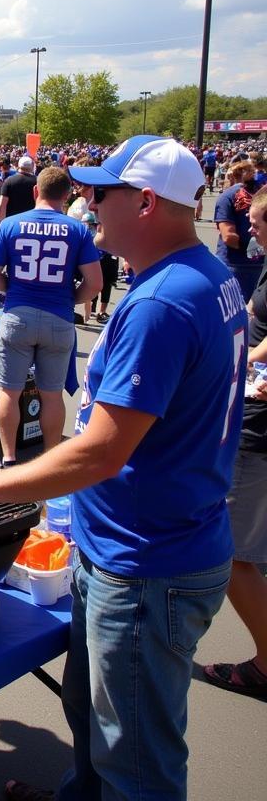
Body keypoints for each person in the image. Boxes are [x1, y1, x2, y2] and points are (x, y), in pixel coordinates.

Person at [0, 136, 241, 801]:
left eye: (104, 193)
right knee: (94, 718)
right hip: (156, 536)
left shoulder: (162, 302)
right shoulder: (206, 276)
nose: (90, 204)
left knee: (137, 758)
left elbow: (102, 449)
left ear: (146, 201)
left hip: (149, 560)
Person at [0, 166, 102, 465]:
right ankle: (49, 459)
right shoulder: (76, 230)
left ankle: (8, 458)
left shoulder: (11, 225)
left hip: (18, 315)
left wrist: (12, 290)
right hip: (58, 317)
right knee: (51, 394)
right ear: (66, 196)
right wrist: (71, 298)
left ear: (36, 191)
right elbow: (95, 283)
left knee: (9, 390)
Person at [201, 186, 267, 700]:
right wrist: (252, 356)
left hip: (257, 429)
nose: (252, 233)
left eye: (260, 226)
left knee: (235, 553)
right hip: (250, 408)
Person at [215, 159, 261, 301]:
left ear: (232, 176)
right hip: (260, 264)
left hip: (234, 265)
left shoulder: (226, 197)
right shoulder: (262, 194)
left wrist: (250, 250)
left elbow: (228, 236)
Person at [0, 155, 38, 224]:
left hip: (12, 222)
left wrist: (1, 223)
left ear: (18, 166)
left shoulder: (9, 181)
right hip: (31, 223)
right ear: (33, 167)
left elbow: (2, 205)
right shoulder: (38, 182)